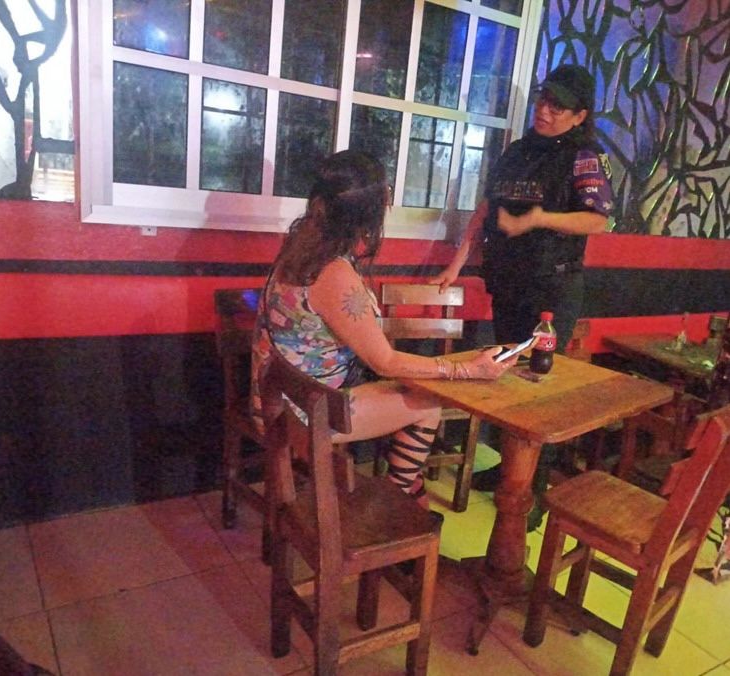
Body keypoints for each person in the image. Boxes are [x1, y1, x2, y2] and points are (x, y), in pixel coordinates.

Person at [251, 150, 516, 508]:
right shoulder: (333, 273)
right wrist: (468, 369)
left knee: (410, 393)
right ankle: (398, 498)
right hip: (303, 413)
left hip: (274, 399)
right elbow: (385, 362)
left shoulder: (300, 245)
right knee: (428, 405)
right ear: (369, 213)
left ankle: (408, 485)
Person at [430, 64, 614, 528]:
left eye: (558, 107)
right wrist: (457, 263)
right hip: (509, 282)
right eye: (543, 100)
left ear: (580, 115)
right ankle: (507, 472)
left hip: (552, 288)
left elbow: (598, 220)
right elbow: (486, 209)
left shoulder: (584, 156)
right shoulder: (517, 151)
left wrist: (538, 219)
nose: (545, 111)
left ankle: (532, 488)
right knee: (506, 380)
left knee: (540, 385)